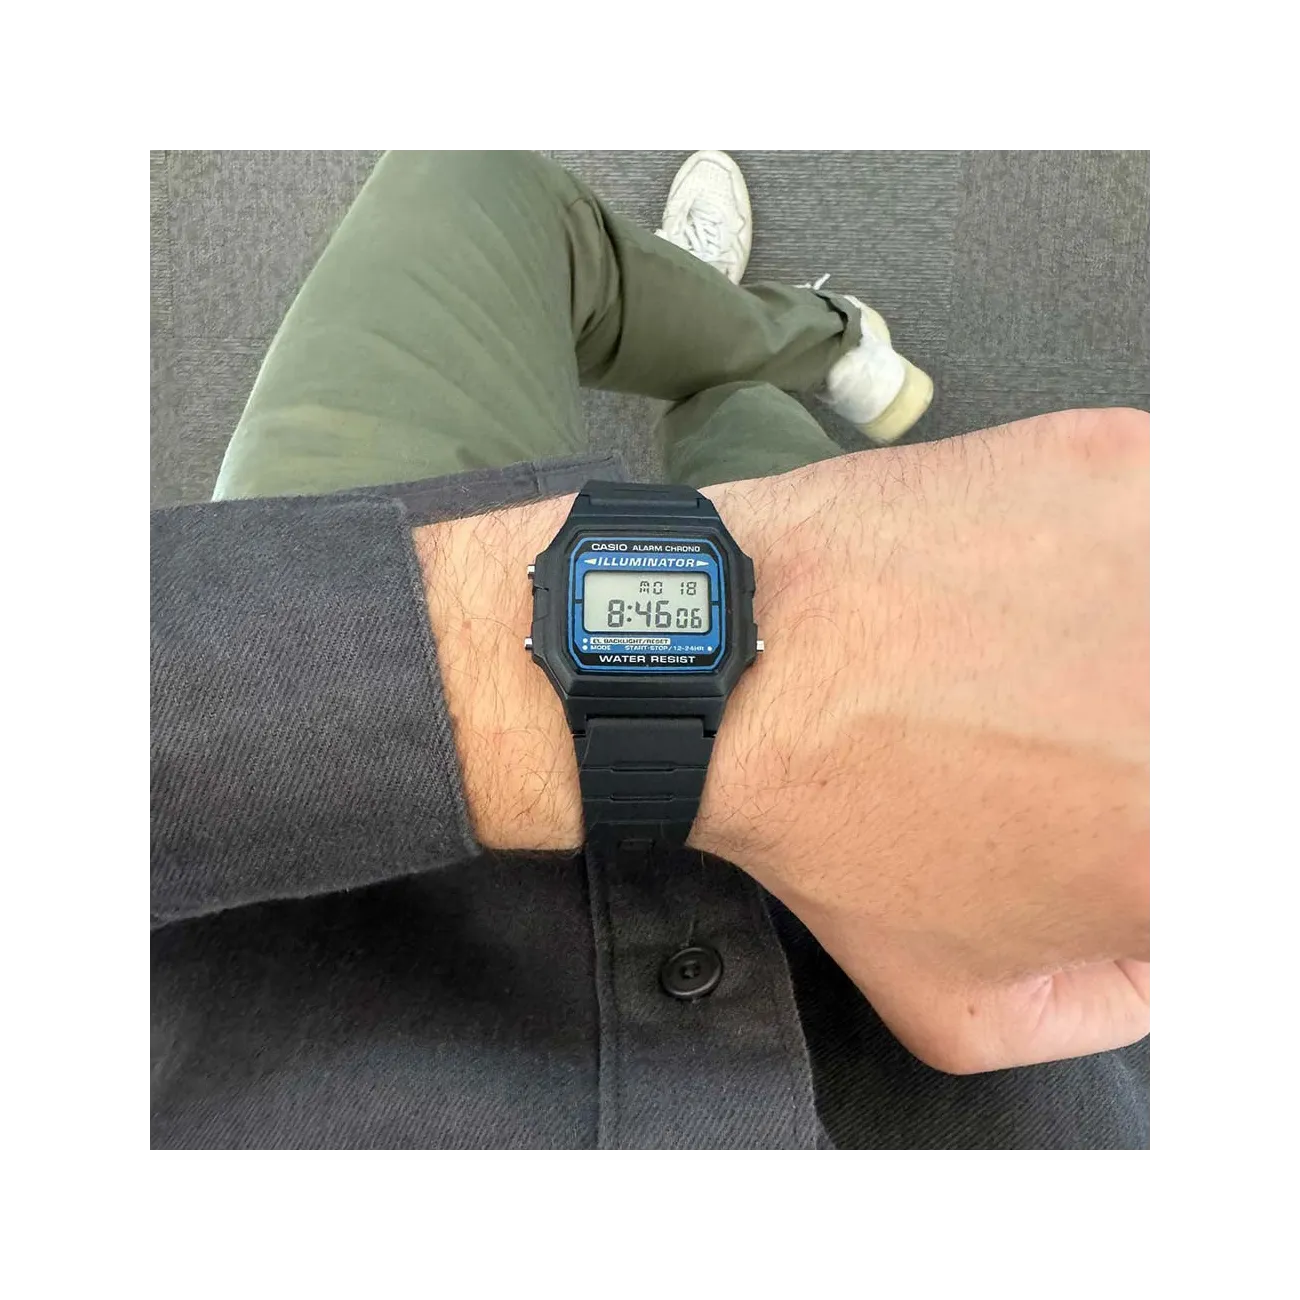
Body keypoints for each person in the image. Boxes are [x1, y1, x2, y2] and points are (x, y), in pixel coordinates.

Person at [147, 147, 1151, 1151]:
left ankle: (739, 330)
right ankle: (758, 356)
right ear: (550, 616)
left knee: (467, 176)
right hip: (872, 1027)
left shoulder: (582, 609)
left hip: (292, 843)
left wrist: (460, 653)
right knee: (758, 447)